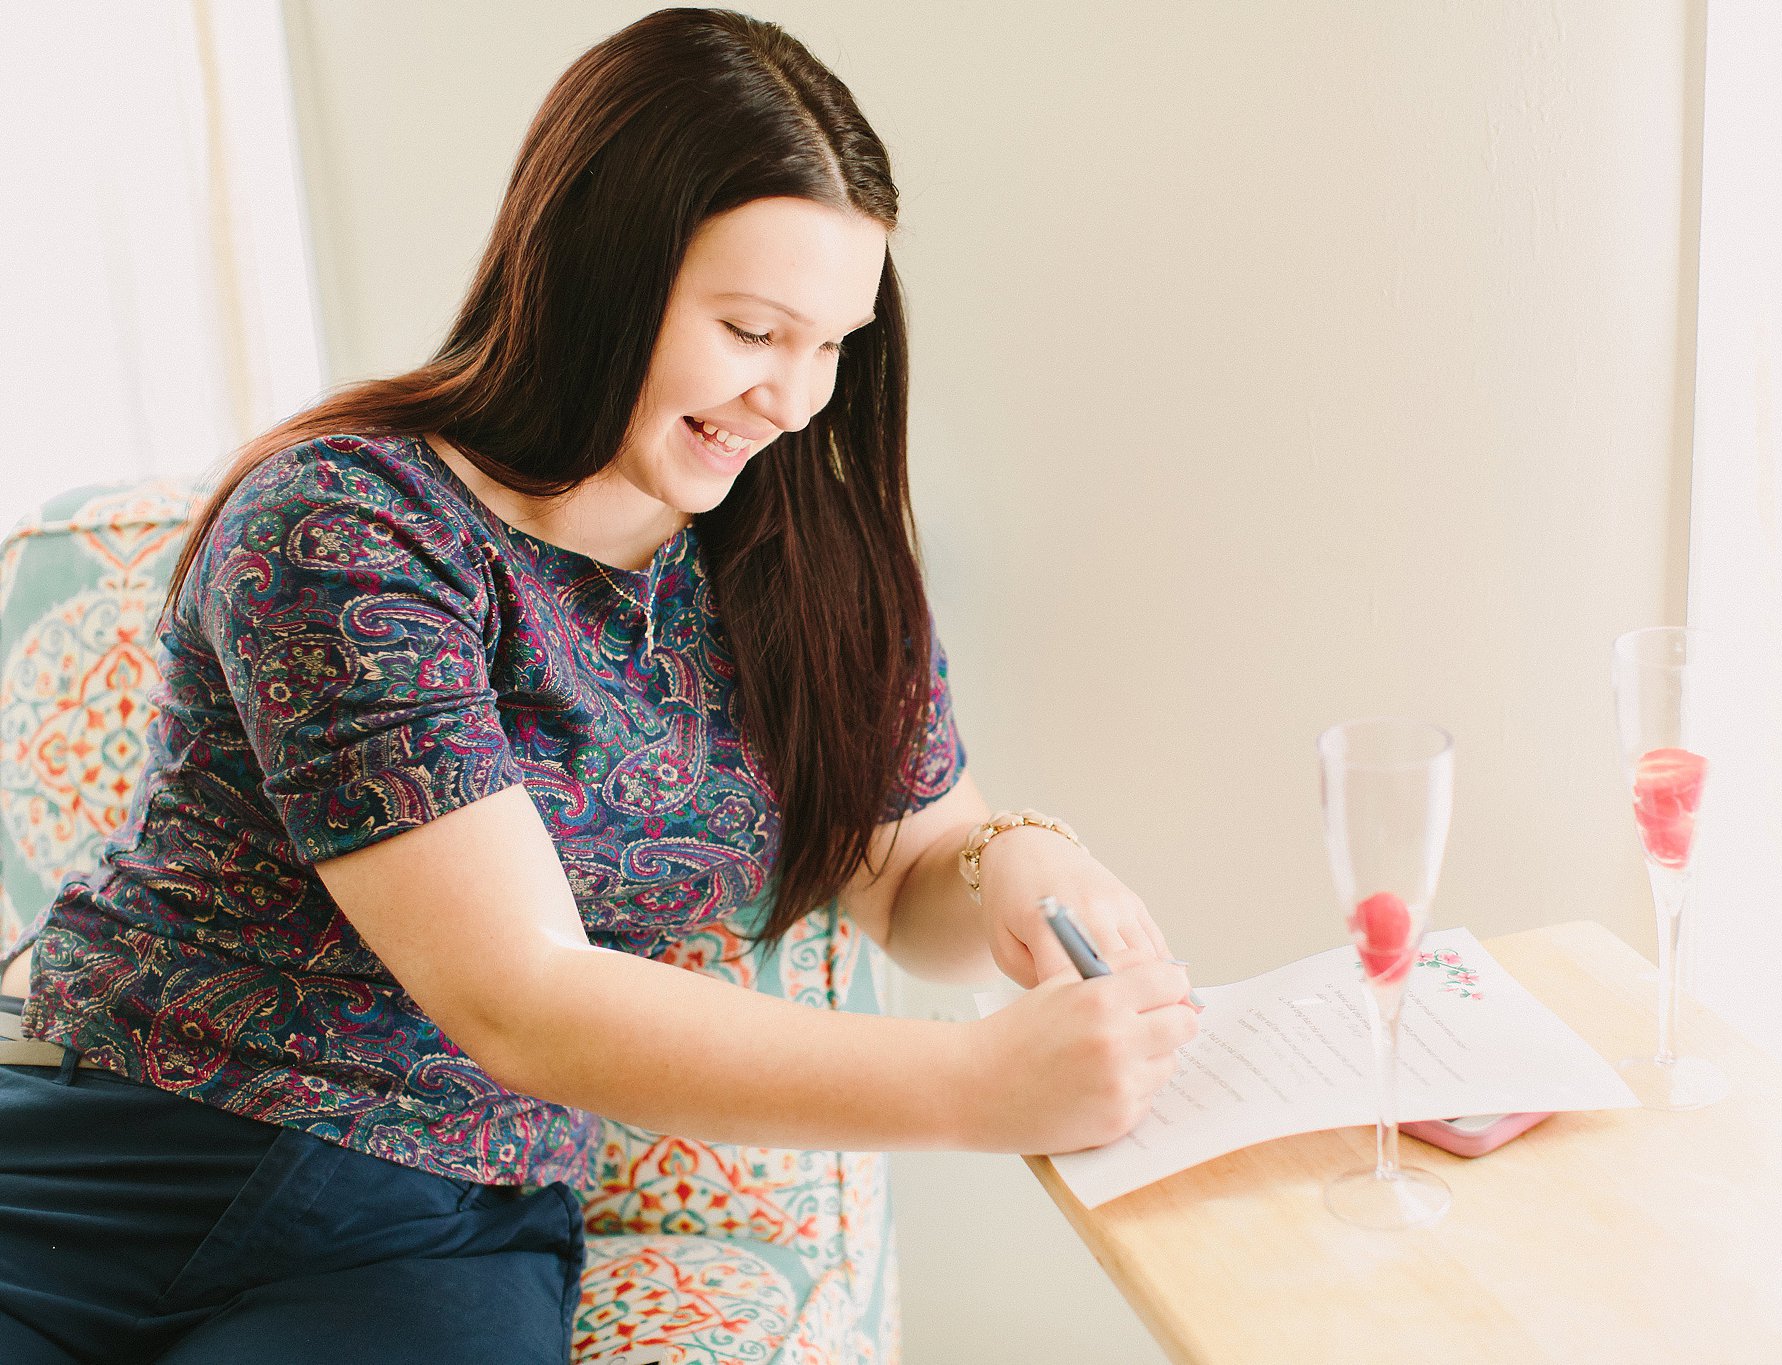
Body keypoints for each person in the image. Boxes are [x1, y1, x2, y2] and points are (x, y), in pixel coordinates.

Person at [0, 9, 1199, 1362]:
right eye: (754, 329)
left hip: (442, 1219)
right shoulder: (345, 524)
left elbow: (907, 862)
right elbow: (518, 990)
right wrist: (973, 1087)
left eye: (832, 344)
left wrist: (1024, 869)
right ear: (600, 272)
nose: (793, 399)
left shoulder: (815, 558)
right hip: (118, 1147)